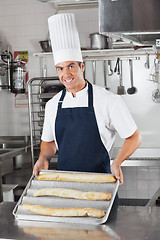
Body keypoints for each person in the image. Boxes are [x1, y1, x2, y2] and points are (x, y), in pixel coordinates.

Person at [33, 13, 142, 187]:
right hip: (65, 187)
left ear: (82, 66)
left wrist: (117, 161)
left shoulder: (108, 101)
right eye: (60, 68)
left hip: (101, 185)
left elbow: (134, 137)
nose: (65, 74)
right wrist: (43, 158)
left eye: (71, 66)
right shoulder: (53, 105)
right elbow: (49, 142)